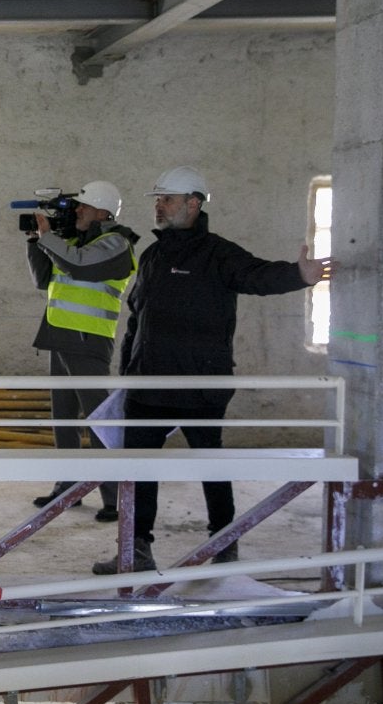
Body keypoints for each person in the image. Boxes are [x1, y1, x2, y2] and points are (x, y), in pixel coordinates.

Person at [92, 166, 337, 574]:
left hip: (201, 385)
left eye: (166, 199)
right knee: (136, 470)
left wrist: (299, 276)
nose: (159, 205)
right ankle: (135, 548)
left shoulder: (219, 253)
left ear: (193, 203)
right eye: (158, 199)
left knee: (211, 465)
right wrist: (127, 374)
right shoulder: (152, 255)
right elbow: (137, 318)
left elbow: (256, 275)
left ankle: (224, 542)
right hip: (148, 385)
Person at [25, 181, 138, 522]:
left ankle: (114, 496)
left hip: (88, 339)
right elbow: (43, 279)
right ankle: (69, 487)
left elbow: (79, 266)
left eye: (83, 207)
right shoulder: (75, 242)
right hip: (60, 336)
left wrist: (49, 238)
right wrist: (35, 241)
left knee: (98, 421)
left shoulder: (116, 244)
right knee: (63, 419)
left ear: (102, 211)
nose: (77, 211)